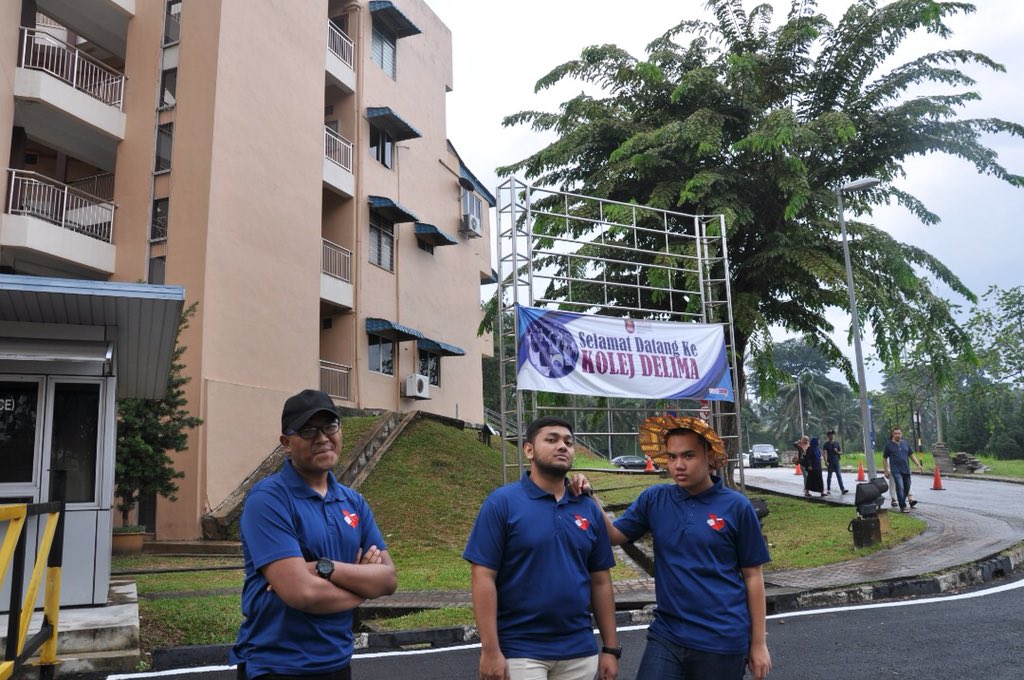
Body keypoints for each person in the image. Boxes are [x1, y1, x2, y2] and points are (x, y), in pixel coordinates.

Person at [574, 416, 771, 680]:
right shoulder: (654, 499)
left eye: (688, 455)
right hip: (667, 633)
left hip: (722, 638)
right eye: (672, 456)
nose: (679, 465)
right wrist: (589, 495)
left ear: (710, 457)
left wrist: (758, 644)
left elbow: (753, 576)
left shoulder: (737, 507)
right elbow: (614, 535)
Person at [230, 389, 397, 680]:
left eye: (329, 426)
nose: (322, 437)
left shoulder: (352, 502)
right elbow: (302, 593)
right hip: (277, 666)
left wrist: (325, 568)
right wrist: (362, 587)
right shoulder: (268, 500)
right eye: (307, 430)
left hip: (337, 663)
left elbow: (388, 579)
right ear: (286, 442)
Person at [464, 416, 619, 680]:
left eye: (568, 442)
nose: (562, 446)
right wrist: (490, 651)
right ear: (528, 450)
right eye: (551, 439)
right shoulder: (502, 503)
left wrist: (610, 648)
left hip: (580, 652)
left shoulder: (587, 508)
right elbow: (483, 577)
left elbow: (600, 581)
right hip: (521, 650)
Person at [883, 427, 925, 513]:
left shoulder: (905, 443)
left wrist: (918, 464)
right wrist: (886, 470)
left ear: (901, 434)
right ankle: (903, 506)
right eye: (895, 433)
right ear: (893, 435)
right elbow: (884, 458)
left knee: (907, 486)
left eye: (899, 433)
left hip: (906, 469)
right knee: (900, 487)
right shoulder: (889, 445)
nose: (897, 435)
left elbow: (911, 455)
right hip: (896, 470)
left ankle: (902, 500)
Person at [823, 430, 848, 494]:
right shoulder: (826, 445)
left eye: (833, 434)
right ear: (828, 436)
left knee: (839, 475)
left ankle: (842, 489)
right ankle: (828, 489)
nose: (832, 436)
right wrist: (825, 461)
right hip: (830, 462)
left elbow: (841, 452)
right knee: (829, 476)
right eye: (831, 434)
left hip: (836, 461)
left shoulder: (836, 443)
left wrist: (837, 452)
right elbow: (825, 453)